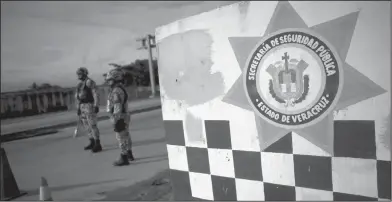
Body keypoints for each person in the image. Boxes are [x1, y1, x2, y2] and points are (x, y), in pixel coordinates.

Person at [105, 68, 135, 166]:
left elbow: (117, 105)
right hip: (124, 114)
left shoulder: (116, 91)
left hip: (120, 116)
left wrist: (116, 118)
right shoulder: (120, 88)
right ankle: (129, 153)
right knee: (126, 135)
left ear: (115, 79)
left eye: (110, 80)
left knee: (121, 137)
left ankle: (124, 157)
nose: (108, 82)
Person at [75, 67, 102, 153]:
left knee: (92, 125)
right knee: (86, 125)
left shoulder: (89, 82)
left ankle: (98, 143)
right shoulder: (80, 84)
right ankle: (92, 141)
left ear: (84, 73)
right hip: (82, 106)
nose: (78, 75)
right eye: (78, 74)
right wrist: (78, 108)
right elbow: (78, 98)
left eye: (80, 73)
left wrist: (96, 105)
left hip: (89, 105)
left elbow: (95, 93)